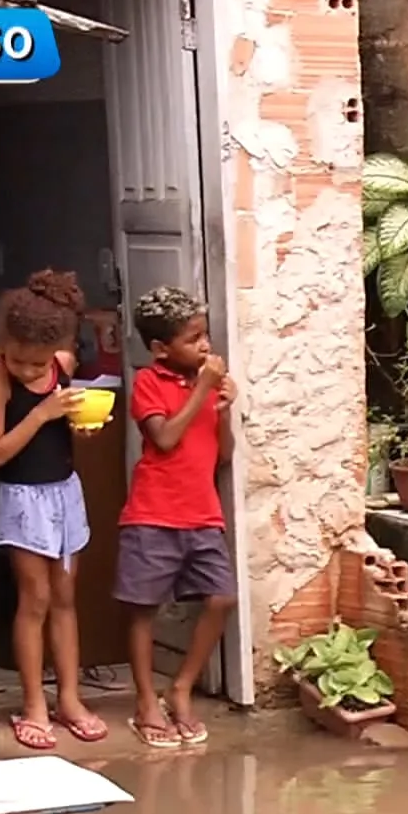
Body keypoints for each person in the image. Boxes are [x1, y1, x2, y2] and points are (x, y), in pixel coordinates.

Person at [0, 270, 108, 750]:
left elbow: (62, 431)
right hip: (23, 499)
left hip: (63, 494)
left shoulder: (62, 364)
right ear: (3, 345)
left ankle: (69, 697)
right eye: (18, 360)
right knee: (34, 599)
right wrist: (41, 412)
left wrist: (80, 427)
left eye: (38, 364)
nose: (29, 371)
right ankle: (34, 702)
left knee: (65, 597)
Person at [116, 287, 238, 748]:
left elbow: (223, 455)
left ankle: (181, 687)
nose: (205, 347)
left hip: (203, 514)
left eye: (205, 336)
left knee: (222, 598)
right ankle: (146, 701)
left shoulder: (205, 387)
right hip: (153, 514)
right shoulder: (149, 382)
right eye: (193, 339)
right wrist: (203, 389)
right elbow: (164, 438)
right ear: (161, 349)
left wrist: (223, 411)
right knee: (143, 609)